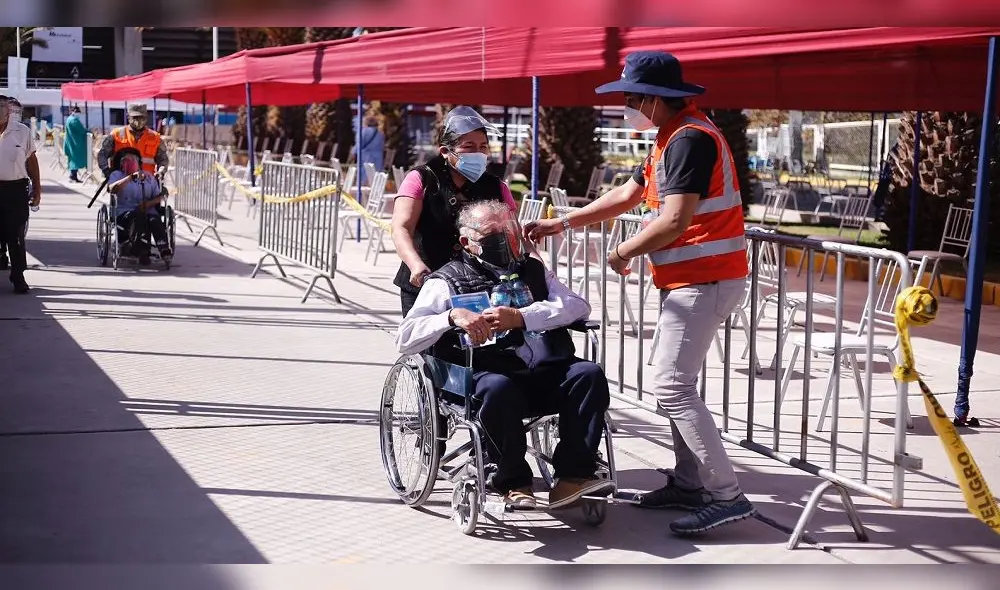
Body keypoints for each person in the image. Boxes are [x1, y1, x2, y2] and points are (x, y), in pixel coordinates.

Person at [525, 50, 755, 535]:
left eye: (632, 98)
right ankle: (689, 483)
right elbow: (627, 195)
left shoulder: (690, 139)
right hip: (692, 280)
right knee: (678, 384)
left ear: (655, 98)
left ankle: (727, 494)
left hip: (706, 279)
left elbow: (675, 219)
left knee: (672, 386)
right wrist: (562, 222)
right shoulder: (670, 137)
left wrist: (622, 251)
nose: (627, 106)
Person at [396, 200, 614, 510]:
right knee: (499, 387)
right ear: (467, 242)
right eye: (493, 234)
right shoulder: (446, 280)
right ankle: (513, 482)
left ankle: (573, 477)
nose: (506, 240)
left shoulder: (533, 270)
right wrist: (450, 317)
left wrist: (523, 317)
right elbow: (405, 336)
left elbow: (578, 307)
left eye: (510, 230)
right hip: (485, 374)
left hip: (543, 370)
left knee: (588, 374)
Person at [391, 106, 518, 316]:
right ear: (445, 151)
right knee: (428, 336)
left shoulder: (496, 186)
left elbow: (514, 233)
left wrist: (537, 268)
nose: (478, 153)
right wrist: (415, 264)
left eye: (483, 146)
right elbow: (401, 228)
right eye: (469, 146)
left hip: (480, 287)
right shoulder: (421, 179)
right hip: (425, 281)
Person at [0, 95, 41, 293]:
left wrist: (37, 189)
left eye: (2, 106)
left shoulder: (22, 132)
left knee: (16, 236)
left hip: (15, 190)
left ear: (8, 110)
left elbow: (32, 161)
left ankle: (18, 276)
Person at [107, 148, 172, 266]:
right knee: (138, 216)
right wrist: (130, 177)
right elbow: (112, 189)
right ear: (121, 164)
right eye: (126, 160)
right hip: (125, 212)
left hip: (147, 210)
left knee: (154, 219)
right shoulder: (116, 175)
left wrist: (148, 204)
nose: (130, 162)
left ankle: (163, 248)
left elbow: (160, 196)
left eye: (133, 159)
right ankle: (140, 249)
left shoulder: (149, 177)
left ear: (139, 163)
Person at [97, 104, 168, 178]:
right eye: (135, 117)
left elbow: (163, 160)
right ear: (128, 117)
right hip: (120, 181)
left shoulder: (155, 137)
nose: (138, 121)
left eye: (141, 117)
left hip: (147, 181)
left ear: (146, 117)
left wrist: (161, 172)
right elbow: (102, 155)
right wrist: (106, 171)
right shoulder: (116, 134)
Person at [352, 116, 385, 185]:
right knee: (376, 176)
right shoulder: (380, 133)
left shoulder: (363, 132)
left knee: (364, 176)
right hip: (378, 158)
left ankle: (364, 187)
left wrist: (353, 153)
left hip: (366, 157)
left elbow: (359, 144)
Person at [64, 106, 88, 183]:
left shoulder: (69, 119)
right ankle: (73, 176)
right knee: (75, 160)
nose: (78, 114)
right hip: (75, 143)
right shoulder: (74, 120)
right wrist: (89, 132)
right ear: (73, 112)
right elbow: (81, 130)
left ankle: (73, 176)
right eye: (77, 112)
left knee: (73, 160)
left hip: (71, 142)